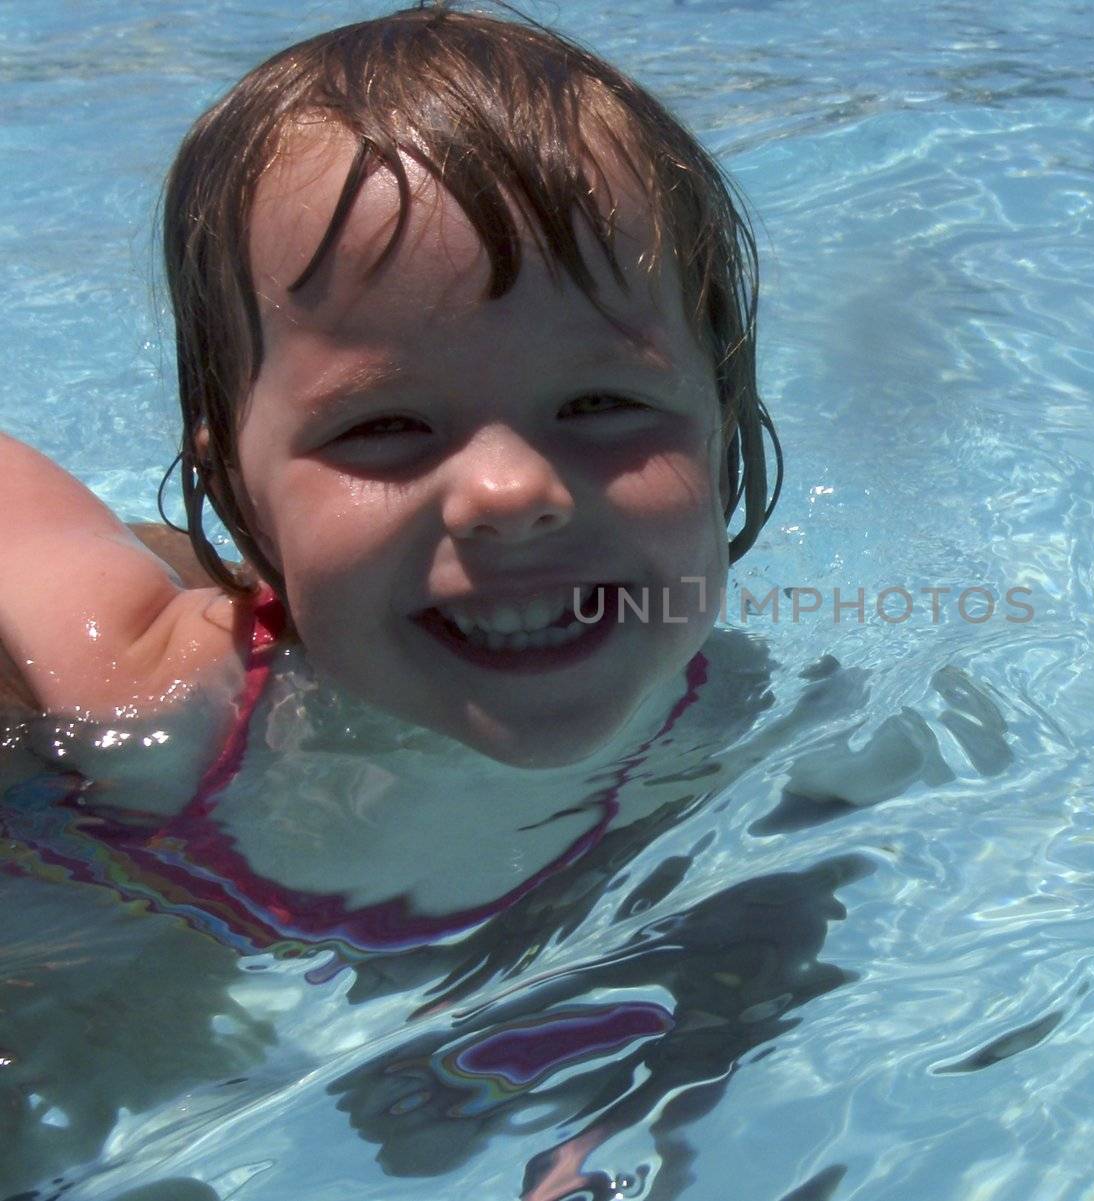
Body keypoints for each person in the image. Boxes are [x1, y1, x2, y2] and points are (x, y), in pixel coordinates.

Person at [0, 1, 780, 778]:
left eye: (601, 404)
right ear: (236, 491)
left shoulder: (736, 719)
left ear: (723, 429)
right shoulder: (157, 700)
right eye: (384, 425)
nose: (509, 492)